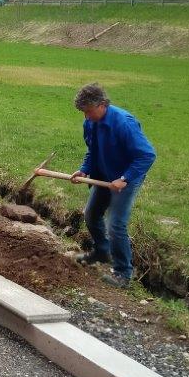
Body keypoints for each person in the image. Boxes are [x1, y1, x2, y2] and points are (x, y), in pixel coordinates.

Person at [71, 83, 156, 288]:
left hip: (126, 178)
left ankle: (123, 273)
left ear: (102, 105)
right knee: (91, 214)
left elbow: (147, 155)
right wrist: (84, 169)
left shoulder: (123, 123)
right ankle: (102, 251)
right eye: (84, 113)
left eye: (89, 111)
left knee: (115, 224)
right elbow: (93, 151)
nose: (86, 116)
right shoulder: (90, 123)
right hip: (104, 176)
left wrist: (124, 179)